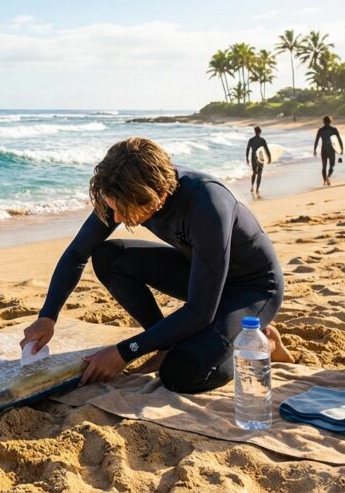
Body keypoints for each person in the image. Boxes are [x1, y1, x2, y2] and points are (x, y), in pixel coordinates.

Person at [19, 137, 294, 393]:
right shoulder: (125, 189)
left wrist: (125, 351)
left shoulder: (207, 204)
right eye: (112, 207)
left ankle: (265, 344)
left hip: (252, 289)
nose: (115, 216)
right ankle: (166, 343)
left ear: (158, 196)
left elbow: (200, 311)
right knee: (108, 256)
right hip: (201, 272)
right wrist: (48, 316)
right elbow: (77, 253)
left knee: (182, 373)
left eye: (121, 210)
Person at [313, 116, 344, 187]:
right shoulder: (333, 129)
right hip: (331, 149)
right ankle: (328, 177)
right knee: (332, 165)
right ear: (330, 121)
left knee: (324, 166)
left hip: (323, 149)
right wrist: (341, 149)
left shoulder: (320, 130)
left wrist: (314, 150)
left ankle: (324, 181)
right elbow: (339, 139)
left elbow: (316, 141)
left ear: (323, 122)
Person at [245, 126, 272, 197]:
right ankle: (257, 189)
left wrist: (247, 159)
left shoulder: (251, 140)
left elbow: (247, 150)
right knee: (259, 173)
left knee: (254, 172)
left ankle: (251, 186)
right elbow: (266, 150)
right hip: (260, 158)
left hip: (253, 157)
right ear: (260, 131)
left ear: (255, 131)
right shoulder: (262, 140)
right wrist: (269, 158)